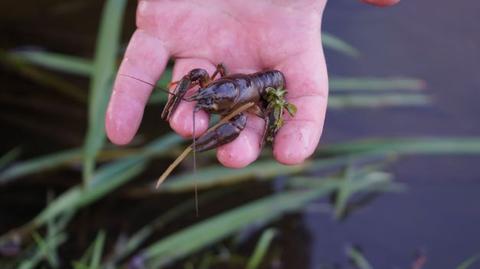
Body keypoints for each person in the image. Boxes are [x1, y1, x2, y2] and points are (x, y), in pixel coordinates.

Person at [105, 0, 398, 168]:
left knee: (240, 127)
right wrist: (193, 96)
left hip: (266, 82)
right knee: (201, 91)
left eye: (205, 94)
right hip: (237, 86)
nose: (203, 94)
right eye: (206, 92)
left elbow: (239, 120)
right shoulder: (210, 84)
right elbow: (199, 76)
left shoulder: (246, 108)